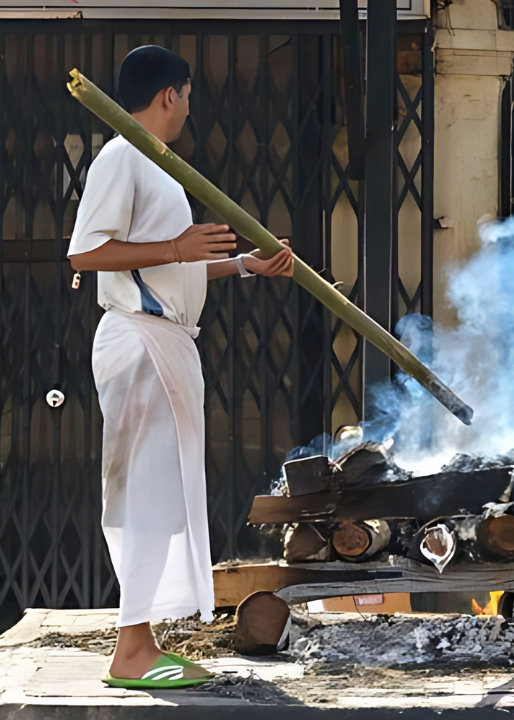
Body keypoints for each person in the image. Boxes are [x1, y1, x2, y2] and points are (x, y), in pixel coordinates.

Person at [67, 46, 295, 687]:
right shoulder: (124, 154)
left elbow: (169, 267)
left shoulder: (159, 166)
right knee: (145, 491)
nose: (189, 106)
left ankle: (142, 640)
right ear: (172, 94)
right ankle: (133, 650)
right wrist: (176, 244)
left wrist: (245, 265)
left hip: (163, 341)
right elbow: (85, 253)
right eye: (188, 95)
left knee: (162, 491)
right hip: (140, 341)